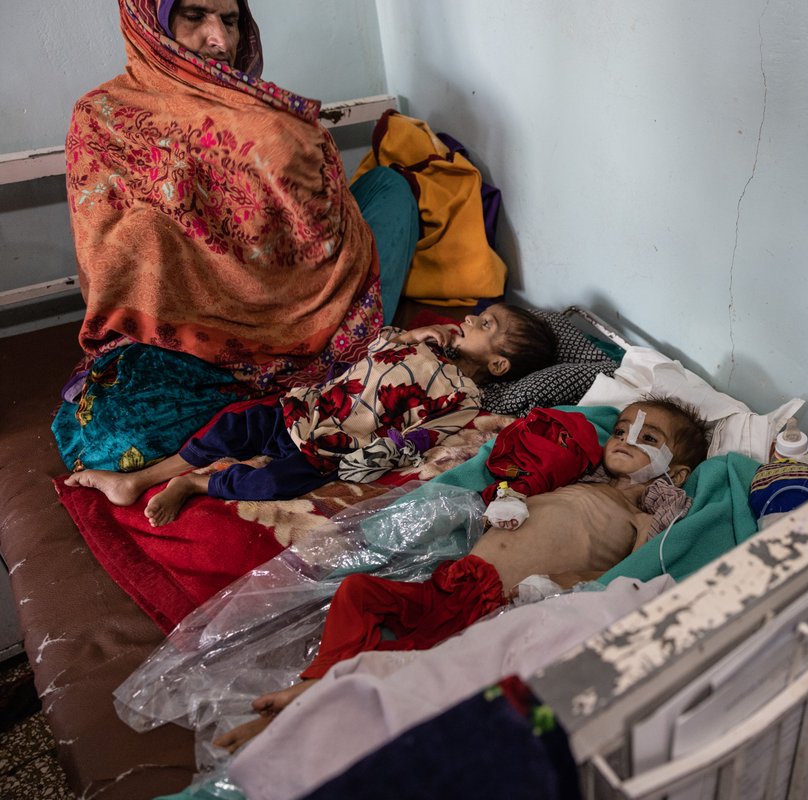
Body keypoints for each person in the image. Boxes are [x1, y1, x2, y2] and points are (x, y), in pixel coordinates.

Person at [212, 396, 710, 753]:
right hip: (457, 578)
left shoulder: (644, 522)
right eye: (621, 429)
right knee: (358, 591)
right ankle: (318, 682)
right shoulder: (578, 478)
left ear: (677, 473)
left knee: (405, 663)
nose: (623, 439)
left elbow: (625, 581)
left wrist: (556, 593)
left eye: (648, 439)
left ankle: (310, 703)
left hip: (497, 604)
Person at [54, 0, 420, 473]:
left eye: (230, 20)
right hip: (191, 331)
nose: (221, 41)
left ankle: (303, 379)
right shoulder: (103, 118)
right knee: (113, 433)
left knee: (390, 186)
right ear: (149, 22)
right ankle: (311, 384)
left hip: (301, 291)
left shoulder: (260, 113)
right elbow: (109, 265)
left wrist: (293, 157)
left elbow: (313, 237)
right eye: (194, 16)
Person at [65, 305, 556, 525]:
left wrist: (357, 461)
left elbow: (416, 440)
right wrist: (409, 338)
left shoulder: (465, 400)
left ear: (498, 363)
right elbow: (370, 349)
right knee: (234, 424)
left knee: (272, 484)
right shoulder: (425, 338)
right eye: (480, 313)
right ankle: (143, 477)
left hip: (331, 449)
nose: (470, 318)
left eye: (485, 323)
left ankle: (193, 484)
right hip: (305, 408)